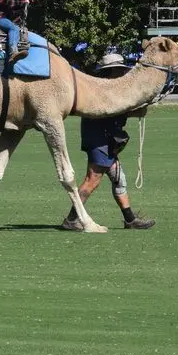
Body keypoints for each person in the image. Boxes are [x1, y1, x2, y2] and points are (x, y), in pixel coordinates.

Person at [62, 51, 156, 231]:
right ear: (109, 72)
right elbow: (114, 111)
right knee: (92, 180)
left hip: (104, 141)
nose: (121, 74)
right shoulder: (103, 90)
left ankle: (130, 220)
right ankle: (72, 219)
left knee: (119, 179)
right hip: (100, 141)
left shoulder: (109, 89)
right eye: (117, 70)